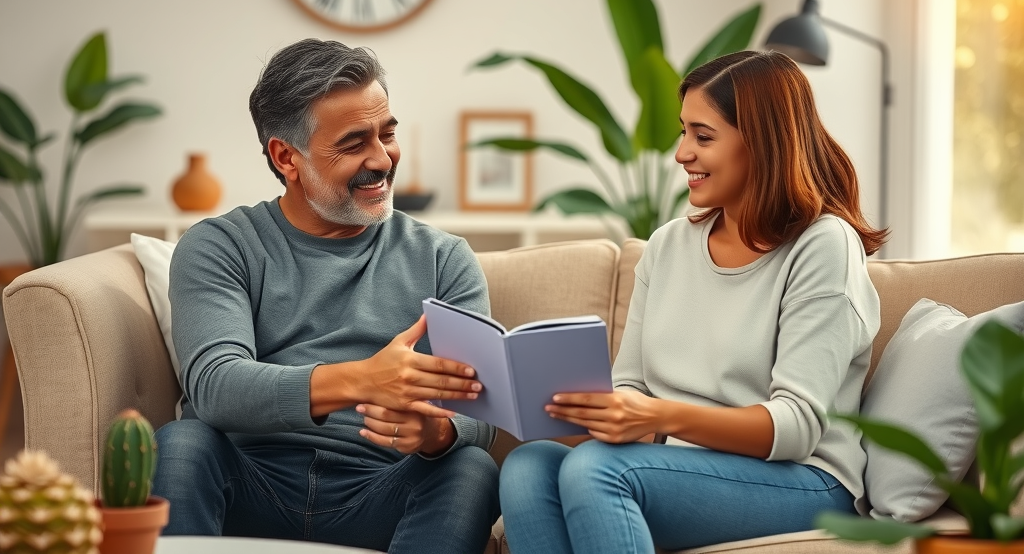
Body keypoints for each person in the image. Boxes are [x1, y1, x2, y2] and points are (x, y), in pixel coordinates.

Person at [498, 50, 889, 553]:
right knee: (528, 467)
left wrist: (658, 416)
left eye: (703, 137)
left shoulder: (822, 245)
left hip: (805, 479)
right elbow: (631, 386)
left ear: (763, 143)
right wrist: (552, 404)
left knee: (598, 470)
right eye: (684, 132)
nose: (682, 153)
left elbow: (796, 427)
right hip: (677, 463)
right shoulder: (668, 245)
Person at [152, 39, 500, 554]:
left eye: (387, 134)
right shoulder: (221, 245)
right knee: (182, 444)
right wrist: (363, 379)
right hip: (251, 481)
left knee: (471, 467)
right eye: (354, 143)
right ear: (286, 157)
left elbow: (481, 409)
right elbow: (215, 386)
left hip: (381, 489)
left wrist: (438, 433)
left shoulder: (442, 258)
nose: (382, 159)